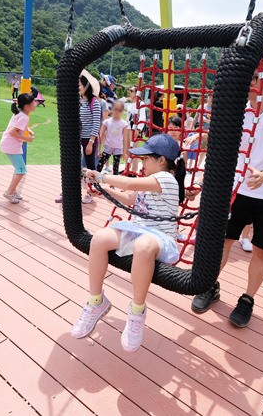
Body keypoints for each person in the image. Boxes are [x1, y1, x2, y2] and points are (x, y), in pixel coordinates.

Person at [190, 51, 263, 328]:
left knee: (261, 250)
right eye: (248, 76)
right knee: (223, 241)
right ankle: (210, 286)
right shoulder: (237, 108)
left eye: (255, 76)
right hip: (235, 188)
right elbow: (223, 150)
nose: (250, 82)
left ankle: (247, 298)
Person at [71, 134, 186, 352]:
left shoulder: (166, 180)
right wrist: (102, 189)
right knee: (100, 238)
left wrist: (101, 176)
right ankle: (96, 301)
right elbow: (131, 198)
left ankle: (137, 311)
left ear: (161, 160)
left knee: (143, 247)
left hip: (159, 237)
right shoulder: (150, 183)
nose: (142, 163)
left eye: (146, 159)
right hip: (138, 230)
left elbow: (129, 182)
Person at [0, 93, 36, 204]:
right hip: (11, 146)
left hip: (9, 144)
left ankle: (13, 191)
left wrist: (28, 130)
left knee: (18, 169)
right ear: (27, 106)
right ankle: (9, 192)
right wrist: (27, 138)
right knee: (21, 170)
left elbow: (16, 125)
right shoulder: (24, 117)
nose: (35, 104)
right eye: (33, 102)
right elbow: (12, 131)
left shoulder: (20, 113)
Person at [79, 70, 103, 204]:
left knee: (90, 167)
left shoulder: (95, 103)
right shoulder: (80, 101)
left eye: (80, 85)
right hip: (79, 137)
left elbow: (96, 123)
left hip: (89, 139)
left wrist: (91, 142)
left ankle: (91, 192)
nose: (78, 87)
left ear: (86, 86)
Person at [98, 100, 127, 175]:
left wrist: (124, 152)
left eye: (120, 110)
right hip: (108, 146)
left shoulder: (124, 124)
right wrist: (99, 149)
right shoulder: (107, 122)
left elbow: (125, 139)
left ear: (122, 111)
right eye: (115, 109)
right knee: (100, 164)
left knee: (116, 168)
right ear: (111, 109)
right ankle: (94, 181)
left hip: (118, 148)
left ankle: (113, 184)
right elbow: (100, 135)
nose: (117, 112)